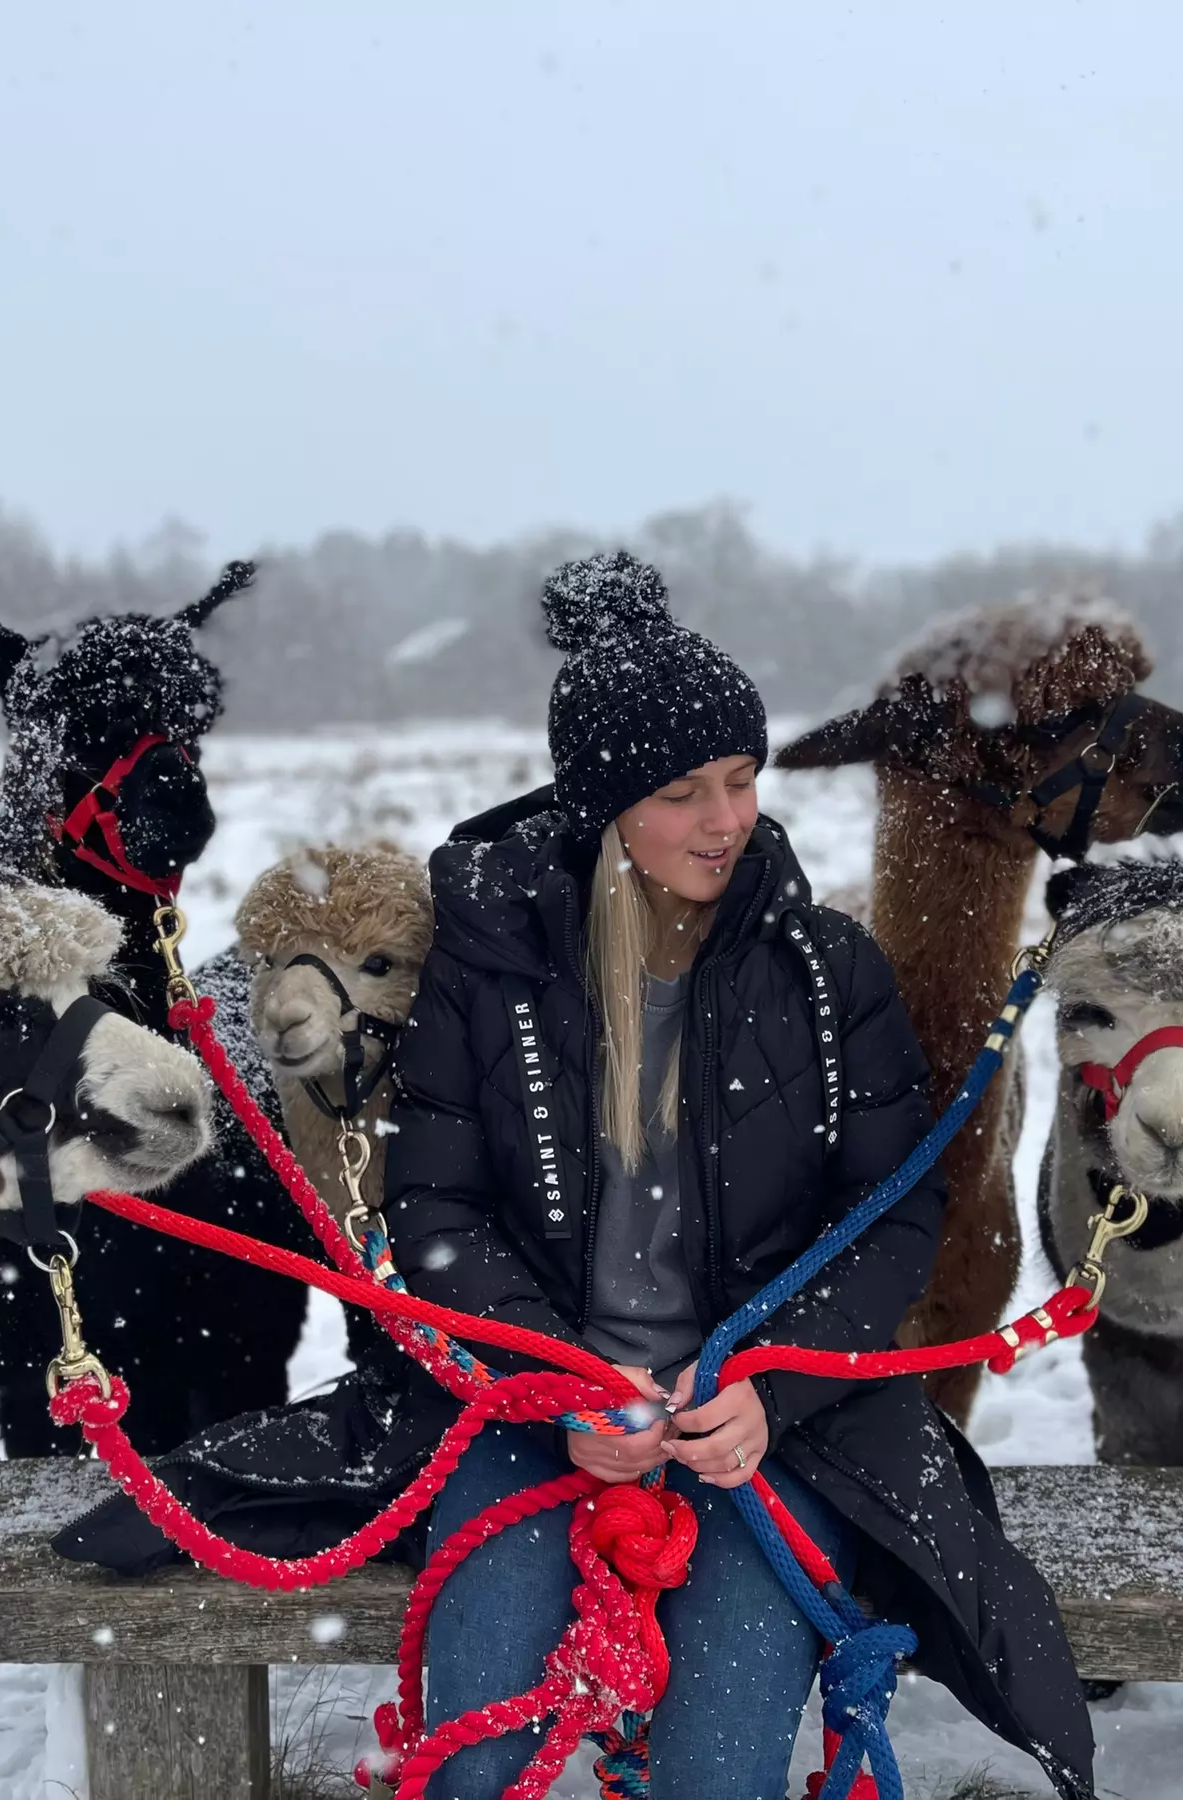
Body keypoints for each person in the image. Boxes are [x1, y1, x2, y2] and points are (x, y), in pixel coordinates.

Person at [385, 551, 1095, 1799]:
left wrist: (771, 1386)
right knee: (476, 1756)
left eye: (742, 779)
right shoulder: (488, 972)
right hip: (535, 1403)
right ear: (605, 808)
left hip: (768, 1427)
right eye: (686, 793)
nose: (730, 819)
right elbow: (437, 1211)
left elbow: (888, 1219)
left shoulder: (829, 976)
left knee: (718, 1761)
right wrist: (558, 1376)